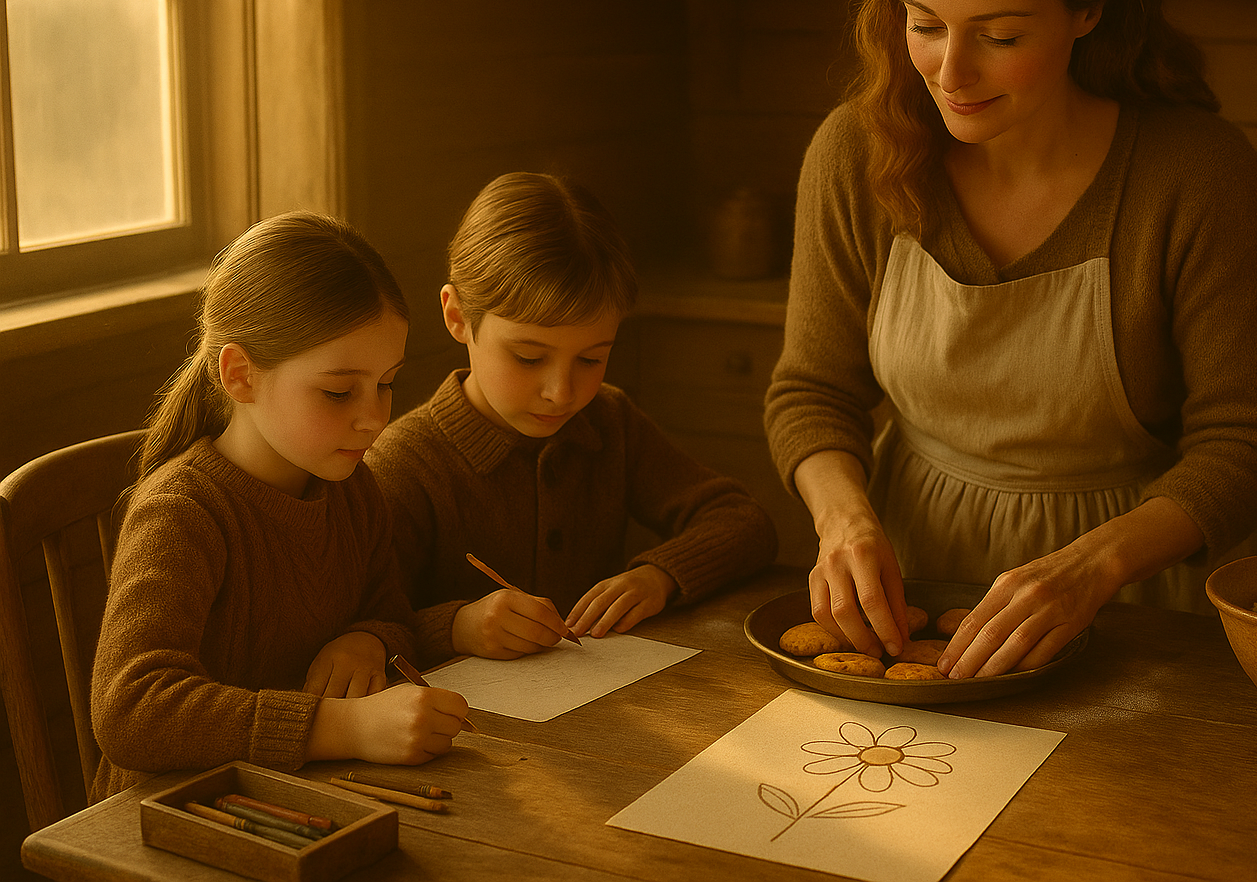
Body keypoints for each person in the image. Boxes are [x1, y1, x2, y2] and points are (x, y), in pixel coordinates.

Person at [764, 0, 1257, 680]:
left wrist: (1093, 567)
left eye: (999, 36)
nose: (948, 71)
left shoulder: (1195, 175)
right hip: (911, 573)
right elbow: (812, 390)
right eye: (924, 23)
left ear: (1087, 9)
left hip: (1128, 601)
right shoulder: (855, 152)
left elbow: (1245, 444)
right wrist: (843, 522)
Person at [91, 212, 468, 802]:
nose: (374, 417)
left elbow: (391, 610)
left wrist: (369, 638)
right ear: (241, 375)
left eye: (387, 383)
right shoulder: (181, 511)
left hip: (307, 792)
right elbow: (132, 710)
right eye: (339, 392)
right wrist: (343, 727)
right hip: (178, 817)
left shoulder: (351, 487)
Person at [367, 172, 777, 667]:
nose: (563, 393)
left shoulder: (607, 421)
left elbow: (744, 521)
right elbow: (363, 625)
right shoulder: (402, 464)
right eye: (528, 357)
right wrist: (457, 627)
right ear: (457, 317)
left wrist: (659, 576)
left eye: (591, 359)